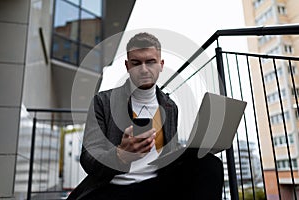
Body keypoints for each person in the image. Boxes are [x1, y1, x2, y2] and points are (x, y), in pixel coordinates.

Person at [67, 32, 224, 200]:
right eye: (136, 63)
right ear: (127, 66)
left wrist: (197, 149)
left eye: (150, 62)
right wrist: (120, 156)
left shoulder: (170, 107)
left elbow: (171, 151)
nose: (143, 69)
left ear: (161, 65)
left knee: (210, 164)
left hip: (158, 183)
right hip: (114, 186)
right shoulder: (102, 101)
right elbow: (88, 157)